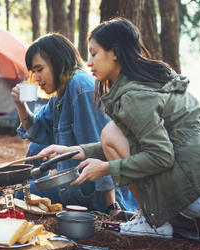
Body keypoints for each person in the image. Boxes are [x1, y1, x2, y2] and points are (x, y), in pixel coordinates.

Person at [40, 18, 200, 238]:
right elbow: (131, 143)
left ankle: (152, 221)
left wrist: (106, 168)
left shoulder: (134, 95)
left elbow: (161, 156)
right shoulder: (150, 80)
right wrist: (70, 152)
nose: (89, 62)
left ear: (115, 52)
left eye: (94, 53)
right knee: (112, 134)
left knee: (110, 132)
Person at [11, 33, 138, 216]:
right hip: (76, 181)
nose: (36, 78)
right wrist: (20, 105)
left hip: (93, 192)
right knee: (35, 148)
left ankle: (30, 192)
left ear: (57, 61)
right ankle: (31, 189)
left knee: (20, 195)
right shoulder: (60, 94)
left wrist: (112, 207)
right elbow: (37, 131)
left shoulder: (80, 87)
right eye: (33, 72)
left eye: (40, 69)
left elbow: (102, 147)